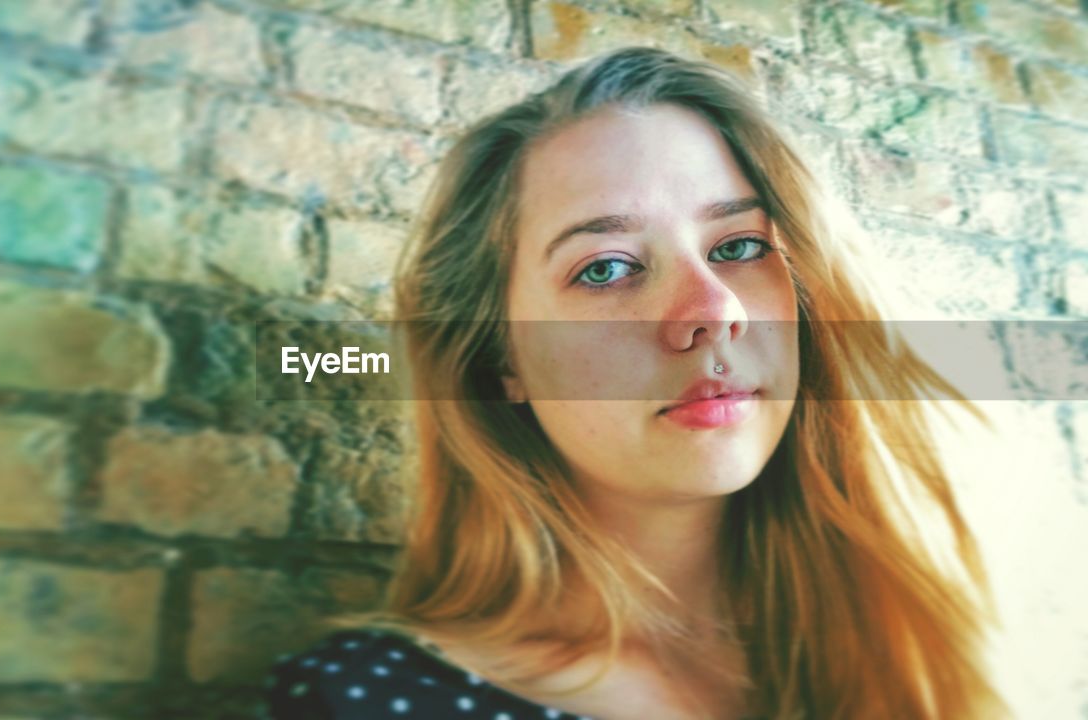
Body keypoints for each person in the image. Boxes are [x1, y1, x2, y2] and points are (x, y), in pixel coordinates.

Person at [260, 47, 1010, 720]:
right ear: (502, 362)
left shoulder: (916, 664)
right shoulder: (376, 701)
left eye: (741, 246)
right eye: (607, 268)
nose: (712, 312)